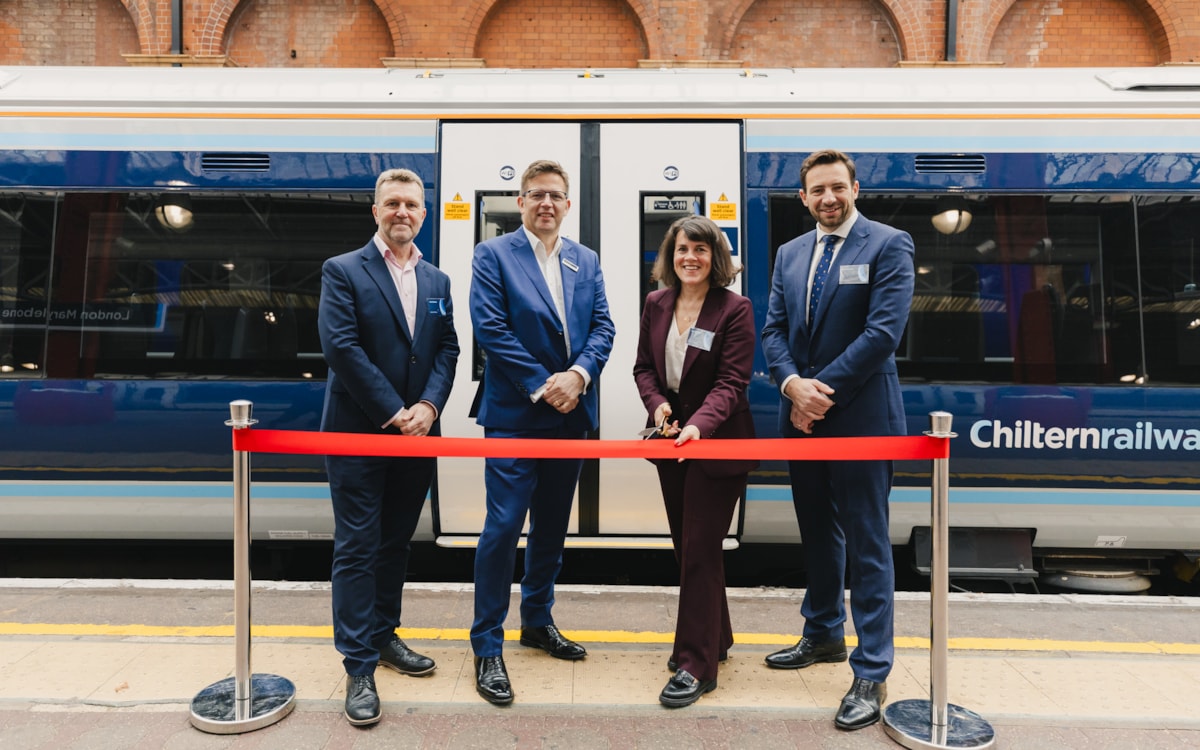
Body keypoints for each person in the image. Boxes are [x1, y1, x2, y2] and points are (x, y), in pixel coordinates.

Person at [760, 149, 915, 731]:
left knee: (868, 543)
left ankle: (871, 668)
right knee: (818, 533)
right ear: (803, 199)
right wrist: (792, 385)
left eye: (836, 188)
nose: (828, 198)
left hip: (861, 419)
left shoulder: (888, 244)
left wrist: (816, 394)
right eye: (816, 191)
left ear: (855, 188)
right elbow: (774, 330)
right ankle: (822, 633)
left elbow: (883, 332)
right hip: (803, 416)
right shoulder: (790, 253)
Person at [467, 159, 615, 706]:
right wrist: (541, 384)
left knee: (552, 527)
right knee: (503, 528)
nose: (546, 204)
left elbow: (604, 325)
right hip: (515, 416)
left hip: (570, 416)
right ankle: (487, 643)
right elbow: (490, 327)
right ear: (521, 203)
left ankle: (537, 620)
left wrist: (577, 376)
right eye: (535, 195)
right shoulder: (493, 255)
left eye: (555, 195)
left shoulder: (585, 259)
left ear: (567, 204)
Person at [318, 167, 459, 726]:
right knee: (357, 546)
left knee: (396, 543)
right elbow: (342, 347)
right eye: (393, 204)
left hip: (418, 434)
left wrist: (428, 408)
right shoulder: (343, 270)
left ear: (423, 214)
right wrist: (393, 412)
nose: (403, 212)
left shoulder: (438, 281)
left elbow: (447, 349)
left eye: (412, 205)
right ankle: (357, 665)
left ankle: (382, 636)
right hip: (359, 432)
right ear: (375, 211)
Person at [632, 216, 757, 708]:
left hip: (717, 444)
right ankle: (716, 639)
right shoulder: (657, 302)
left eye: (702, 250)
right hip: (671, 442)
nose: (691, 258)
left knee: (702, 551)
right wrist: (658, 405)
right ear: (671, 254)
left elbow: (732, 382)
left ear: (716, 258)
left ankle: (695, 665)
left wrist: (698, 425)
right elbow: (644, 366)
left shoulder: (735, 308)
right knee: (689, 550)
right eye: (684, 248)